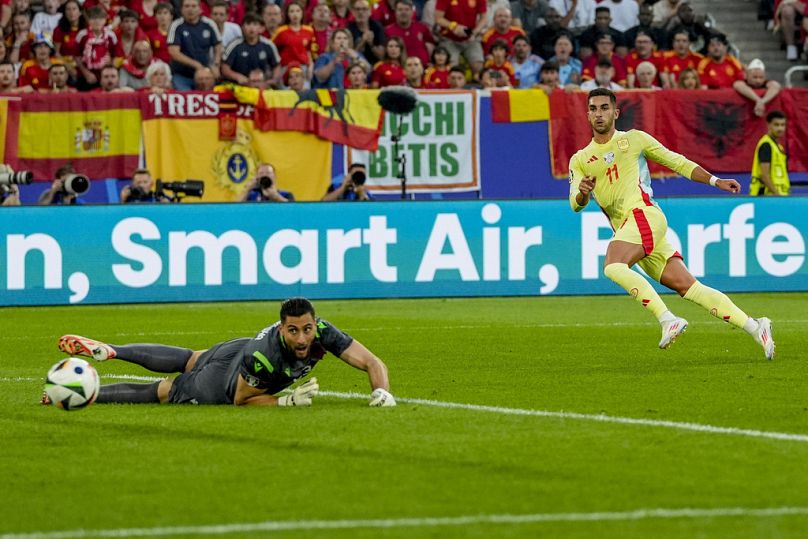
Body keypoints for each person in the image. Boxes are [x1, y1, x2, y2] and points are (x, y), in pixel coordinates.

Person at [569, 88, 775, 359]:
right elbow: (575, 203)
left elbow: (676, 161)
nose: (599, 113)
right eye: (593, 108)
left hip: (644, 214)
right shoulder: (581, 159)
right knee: (688, 286)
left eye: (604, 108)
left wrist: (715, 181)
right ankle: (756, 325)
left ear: (616, 113)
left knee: (613, 266)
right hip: (631, 229)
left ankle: (667, 319)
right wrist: (583, 191)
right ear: (587, 115)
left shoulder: (635, 139)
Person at [53, 297, 397, 407]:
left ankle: (114, 350)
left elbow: (371, 361)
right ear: (281, 329)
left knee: (189, 357)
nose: (303, 337)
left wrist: (381, 391)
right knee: (167, 389)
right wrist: (285, 402)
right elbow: (242, 400)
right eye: (293, 331)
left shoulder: (323, 333)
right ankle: (91, 395)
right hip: (227, 378)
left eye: (307, 328)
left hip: (233, 347)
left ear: (315, 324)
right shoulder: (267, 356)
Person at [167, 0, 222, 91]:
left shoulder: (209, 24)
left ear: (200, 9)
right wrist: (197, 65)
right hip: (182, 75)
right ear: (181, 9)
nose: (190, 9)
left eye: (193, 6)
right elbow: (173, 52)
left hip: (205, 74)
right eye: (187, 6)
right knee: (185, 99)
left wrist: (215, 65)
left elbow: (218, 46)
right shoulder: (176, 26)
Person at [750, 110, 790, 196]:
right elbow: (764, 175)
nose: (780, 128)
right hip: (766, 197)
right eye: (776, 125)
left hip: (778, 196)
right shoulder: (766, 145)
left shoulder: (779, 148)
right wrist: (778, 196)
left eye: (782, 125)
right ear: (768, 125)